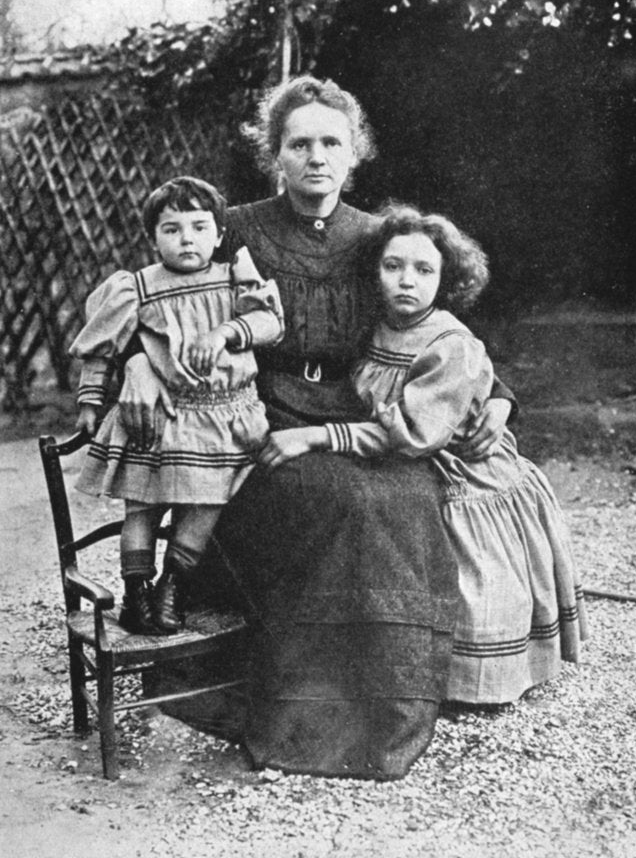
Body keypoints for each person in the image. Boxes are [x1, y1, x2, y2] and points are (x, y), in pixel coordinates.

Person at [117, 76, 516, 779]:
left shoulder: (378, 238)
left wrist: (502, 398)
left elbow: (435, 332)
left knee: (402, 497)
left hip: (362, 415)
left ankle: (388, 698)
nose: (316, 157)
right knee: (329, 499)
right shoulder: (232, 227)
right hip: (254, 414)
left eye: (331, 142)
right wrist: (139, 368)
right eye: (299, 143)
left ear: (354, 151)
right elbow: (158, 295)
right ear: (275, 154)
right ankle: (304, 711)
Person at [259, 204, 587, 703]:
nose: (406, 281)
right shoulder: (375, 326)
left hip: (463, 467)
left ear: (446, 279)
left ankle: (475, 681)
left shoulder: (449, 343)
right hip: (408, 452)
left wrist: (317, 436)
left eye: (423, 270)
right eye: (392, 267)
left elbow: (413, 431)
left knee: (470, 576)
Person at [69, 176, 283, 635]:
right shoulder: (138, 286)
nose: (187, 238)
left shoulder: (232, 277)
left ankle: (173, 587)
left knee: (205, 506)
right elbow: (100, 347)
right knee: (142, 510)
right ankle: (136, 594)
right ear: (152, 238)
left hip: (223, 417)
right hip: (158, 417)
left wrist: (227, 332)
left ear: (219, 235)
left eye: (199, 227)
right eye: (171, 229)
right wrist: (90, 401)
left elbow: (269, 322)